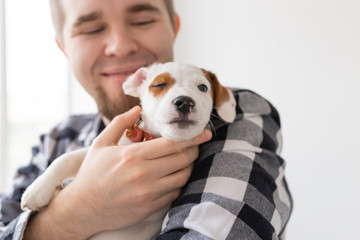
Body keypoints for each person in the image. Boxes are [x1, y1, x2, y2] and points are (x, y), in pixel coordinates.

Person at [0, 0, 293, 239]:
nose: (120, 45)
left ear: (174, 27)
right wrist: (74, 212)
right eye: (91, 28)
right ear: (63, 46)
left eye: (141, 21)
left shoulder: (236, 117)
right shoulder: (57, 140)